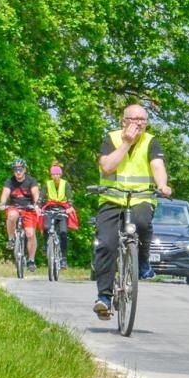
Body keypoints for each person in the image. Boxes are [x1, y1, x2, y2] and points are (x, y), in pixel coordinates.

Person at [92, 103, 171, 318]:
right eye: (134, 119)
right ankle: (104, 297)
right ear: (123, 121)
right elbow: (107, 167)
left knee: (143, 223)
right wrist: (126, 143)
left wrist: (162, 185)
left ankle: (142, 260)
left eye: (143, 120)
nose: (138, 124)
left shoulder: (151, 141)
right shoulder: (112, 138)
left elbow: (157, 166)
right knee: (106, 244)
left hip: (140, 199)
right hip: (112, 199)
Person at [0, 158, 42, 262]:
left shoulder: (31, 181)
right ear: (13, 171)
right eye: (16, 169)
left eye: (20, 169)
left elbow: (36, 194)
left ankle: (31, 259)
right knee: (12, 215)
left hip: (29, 208)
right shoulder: (10, 181)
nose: (18, 172)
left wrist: (36, 205)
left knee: (30, 234)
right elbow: (5, 194)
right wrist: (2, 203)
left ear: (24, 170)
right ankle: (11, 239)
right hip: (15, 207)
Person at [42, 162, 76, 264]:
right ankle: (45, 246)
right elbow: (41, 197)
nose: (55, 176)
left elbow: (70, 198)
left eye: (57, 174)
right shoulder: (47, 184)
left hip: (62, 209)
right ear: (51, 175)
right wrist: (38, 206)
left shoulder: (65, 184)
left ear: (60, 174)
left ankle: (64, 258)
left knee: (63, 232)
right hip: (50, 208)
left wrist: (70, 207)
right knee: (46, 227)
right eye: (53, 174)